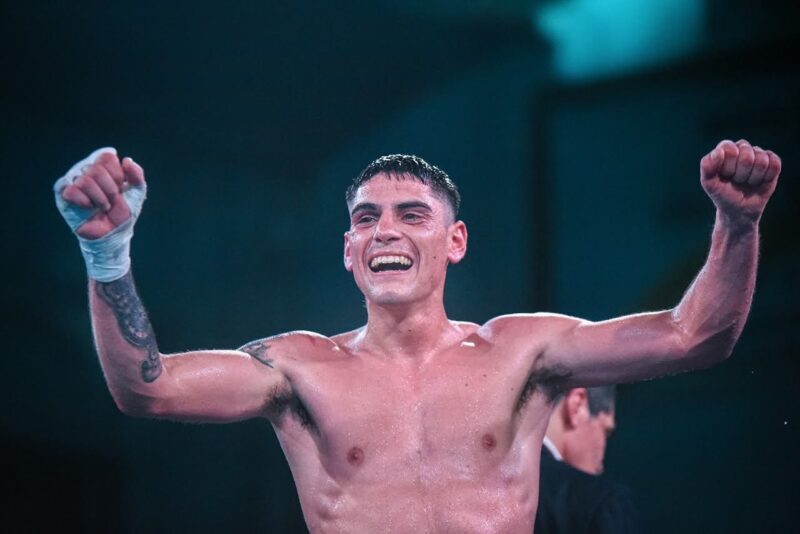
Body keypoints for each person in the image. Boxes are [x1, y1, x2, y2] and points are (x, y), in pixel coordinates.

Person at [54, 140, 780, 532]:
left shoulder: (523, 351)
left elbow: (695, 338)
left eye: (411, 215)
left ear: (455, 241)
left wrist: (738, 225)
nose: (385, 231)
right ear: (348, 250)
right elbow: (148, 389)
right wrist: (105, 254)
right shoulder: (299, 367)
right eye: (366, 219)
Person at [535, 386, 640, 533]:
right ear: (577, 405)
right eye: (606, 432)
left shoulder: (503, 484)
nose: (600, 466)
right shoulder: (600, 503)